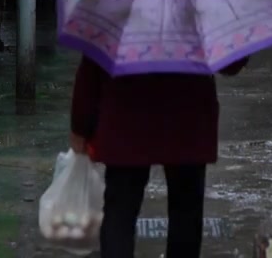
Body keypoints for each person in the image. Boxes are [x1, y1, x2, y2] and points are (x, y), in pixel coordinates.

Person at [70, 54, 249, 258]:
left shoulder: (117, 20)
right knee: (186, 209)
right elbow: (231, 63)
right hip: (187, 116)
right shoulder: (198, 20)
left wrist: (81, 126)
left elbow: (93, 61)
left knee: (120, 209)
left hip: (126, 114)